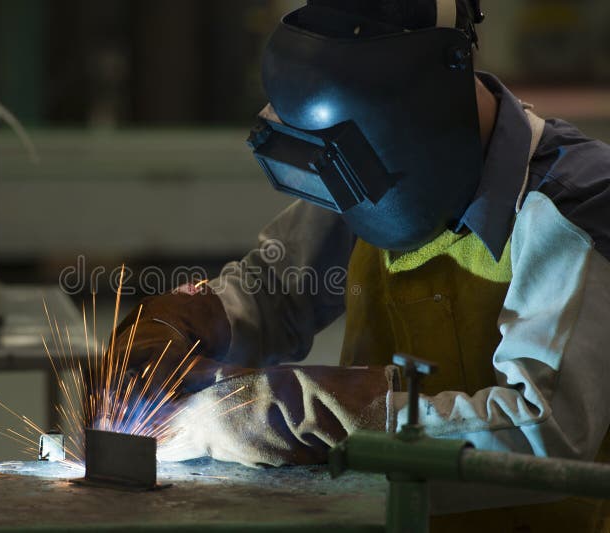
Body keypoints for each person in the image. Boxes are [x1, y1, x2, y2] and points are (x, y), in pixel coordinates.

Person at [112, 1, 610, 531]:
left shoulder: (575, 205)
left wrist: (311, 414)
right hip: (388, 518)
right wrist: (193, 321)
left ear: (416, 110)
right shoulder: (367, 162)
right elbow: (276, 288)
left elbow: (543, 434)